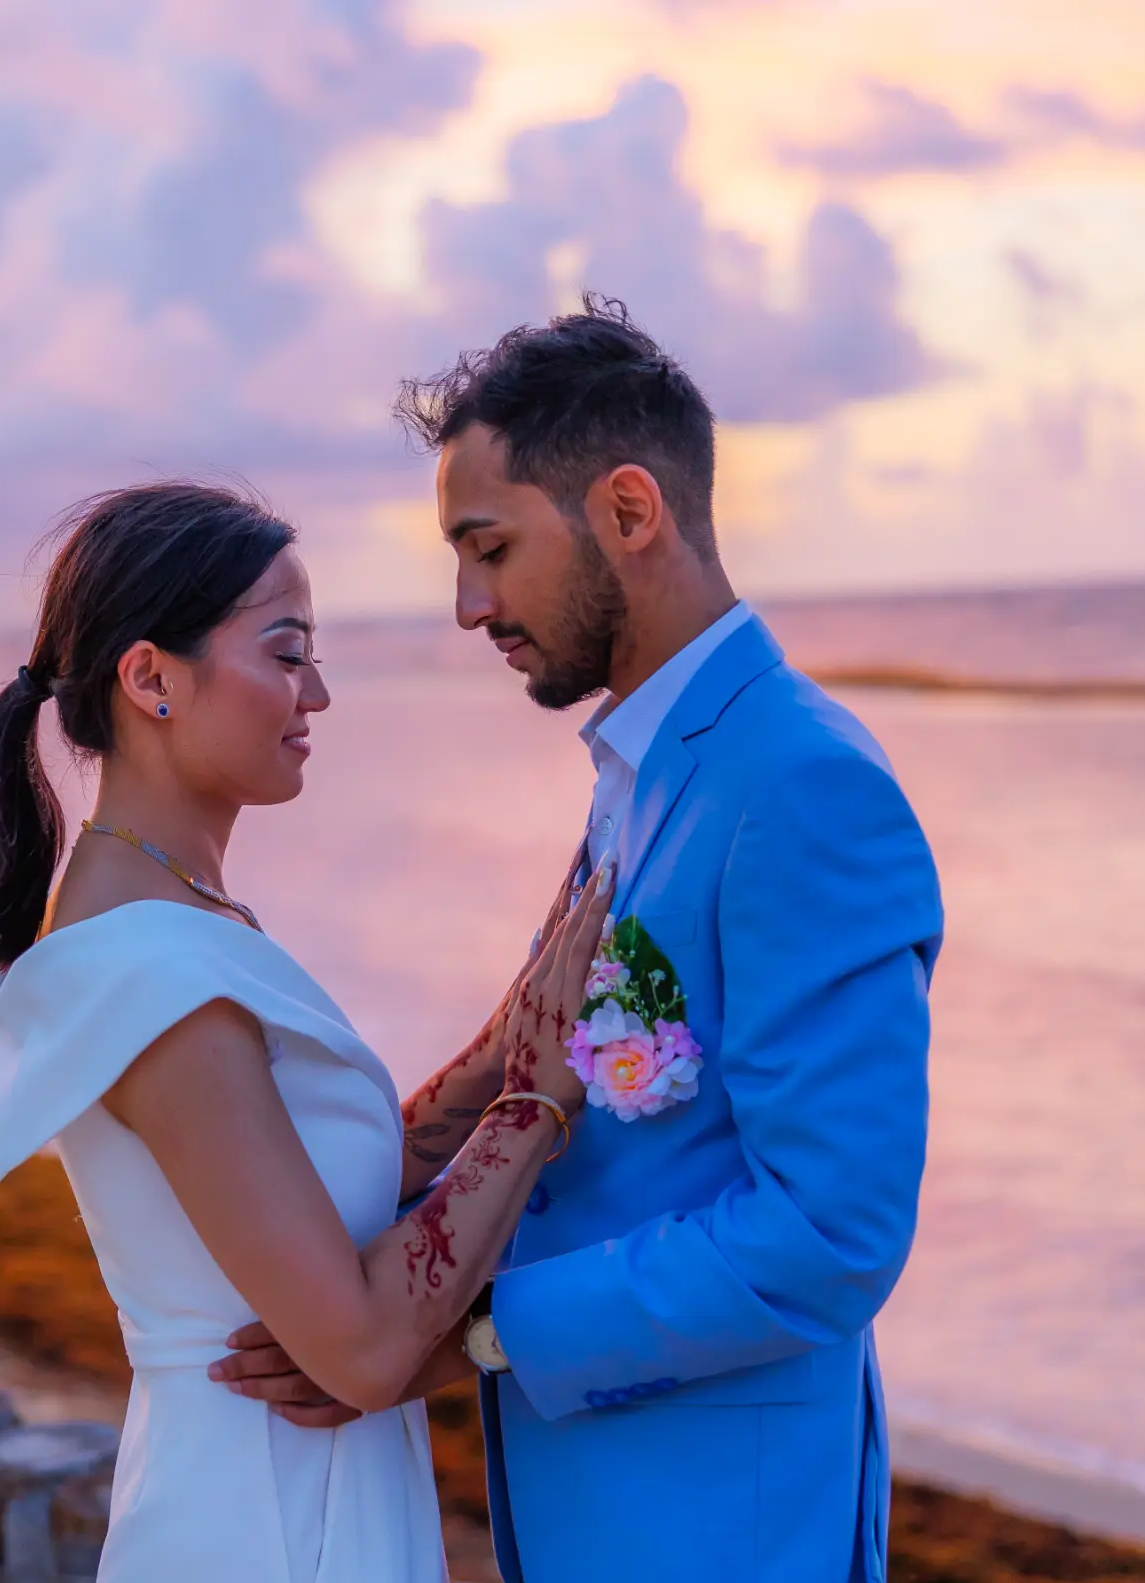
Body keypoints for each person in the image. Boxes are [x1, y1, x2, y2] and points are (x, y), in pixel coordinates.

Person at [212, 298, 945, 1581]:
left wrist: (478, 1325)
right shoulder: (641, 771)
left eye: (487, 548)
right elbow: (550, 1086)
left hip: (725, 1525)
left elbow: (830, 1230)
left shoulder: (800, 784)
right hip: (594, 1508)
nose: (464, 603)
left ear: (625, 510)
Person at [0, 481, 613, 1583]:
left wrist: (516, 1028)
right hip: (268, 1516)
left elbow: (332, 1166)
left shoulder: (177, 914)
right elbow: (361, 1348)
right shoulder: (148, 968)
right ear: (150, 677)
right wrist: (533, 1104)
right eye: (284, 652)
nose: (315, 692)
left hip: (285, 1482)